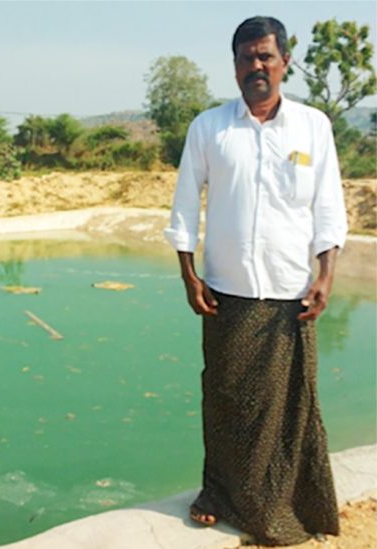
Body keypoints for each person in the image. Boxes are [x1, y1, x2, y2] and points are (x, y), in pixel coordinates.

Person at [164, 16, 347, 545]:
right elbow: (184, 203)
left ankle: (286, 501)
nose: (256, 67)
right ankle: (219, 493)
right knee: (223, 398)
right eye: (247, 57)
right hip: (227, 292)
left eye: (266, 56)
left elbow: (328, 208)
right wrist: (188, 272)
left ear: (285, 61)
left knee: (289, 407)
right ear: (235, 66)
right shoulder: (210, 127)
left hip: (292, 293)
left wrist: (326, 274)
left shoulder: (313, 127)